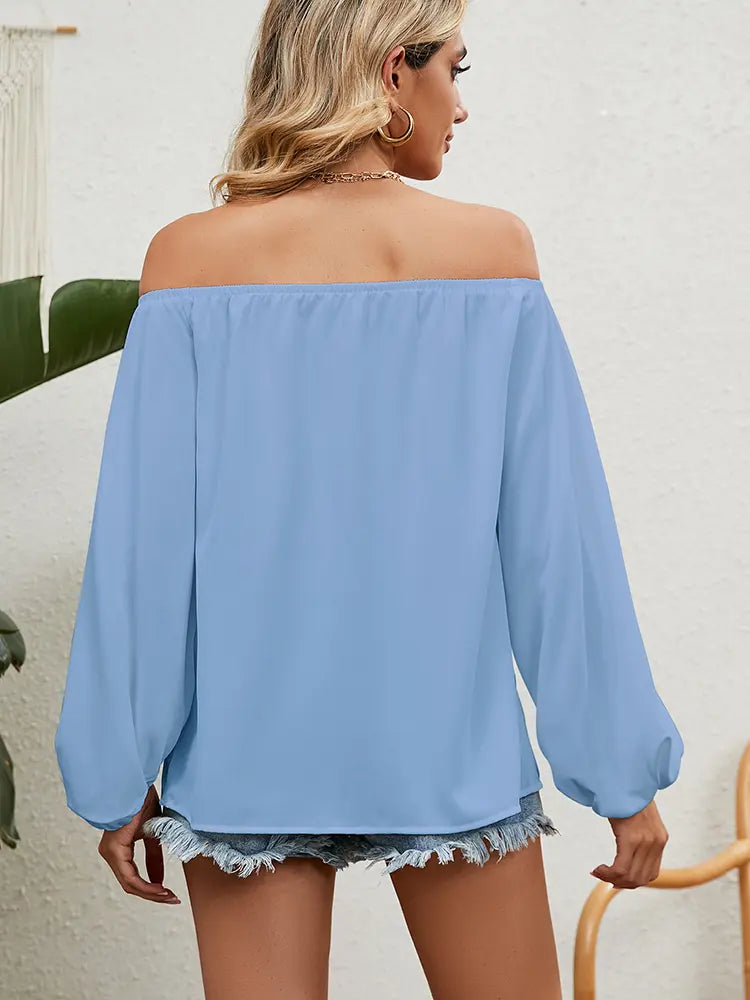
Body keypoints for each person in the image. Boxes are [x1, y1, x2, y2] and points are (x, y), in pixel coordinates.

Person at [53, 1, 684, 998]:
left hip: (247, 758)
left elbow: (145, 551)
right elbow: (558, 548)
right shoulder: (492, 257)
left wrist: (116, 773)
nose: (461, 107)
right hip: (449, 752)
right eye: (456, 70)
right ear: (395, 72)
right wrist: (623, 776)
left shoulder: (187, 263)